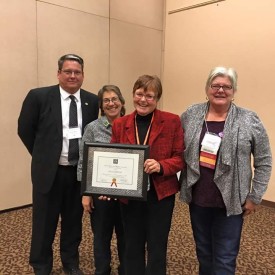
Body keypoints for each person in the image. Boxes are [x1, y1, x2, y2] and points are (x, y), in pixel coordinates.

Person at [180, 66, 272, 275]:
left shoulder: (249, 119)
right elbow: (176, 145)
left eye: (226, 86)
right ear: (207, 89)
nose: (220, 90)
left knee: (224, 259)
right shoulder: (191, 114)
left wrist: (255, 196)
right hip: (199, 198)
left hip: (231, 202)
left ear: (234, 91)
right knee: (203, 254)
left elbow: (264, 160)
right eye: (215, 85)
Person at [18, 54, 99, 275]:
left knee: (73, 222)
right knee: (44, 222)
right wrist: (43, 155)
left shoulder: (92, 101)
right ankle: (41, 265)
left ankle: (70, 262)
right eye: (68, 71)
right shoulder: (39, 97)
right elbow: (24, 129)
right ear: (58, 73)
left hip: (77, 173)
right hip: (49, 173)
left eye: (77, 72)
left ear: (83, 75)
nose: (73, 76)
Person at [110, 75, 184, 275]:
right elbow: (112, 158)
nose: (143, 100)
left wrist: (161, 165)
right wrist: (106, 184)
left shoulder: (171, 121)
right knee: (132, 245)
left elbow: (179, 158)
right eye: (139, 94)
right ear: (133, 95)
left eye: (149, 96)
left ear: (157, 98)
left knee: (157, 246)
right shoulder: (120, 124)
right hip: (130, 195)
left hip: (160, 195)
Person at [77, 85, 126, 275]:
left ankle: (126, 269)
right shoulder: (92, 128)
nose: (111, 103)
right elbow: (84, 162)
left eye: (115, 99)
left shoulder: (132, 124)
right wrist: (86, 194)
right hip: (99, 194)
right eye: (106, 100)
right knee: (101, 237)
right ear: (101, 105)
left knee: (126, 236)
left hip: (126, 195)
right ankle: (102, 270)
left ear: (122, 102)